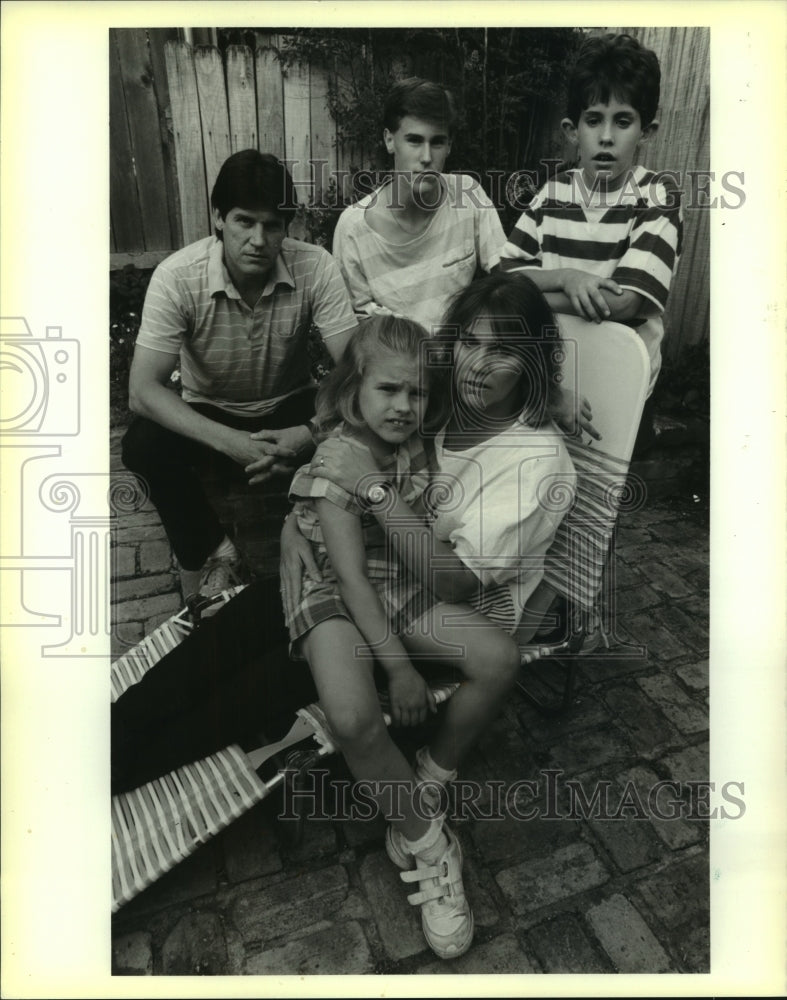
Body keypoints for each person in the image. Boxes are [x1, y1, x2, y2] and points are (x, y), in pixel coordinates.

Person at [112, 273, 575, 957]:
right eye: (469, 344)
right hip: (353, 566)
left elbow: (443, 575)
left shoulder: (531, 459)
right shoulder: (444, 399)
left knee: (244, 700)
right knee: (204, 660)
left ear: (533, 359)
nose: (478, 364)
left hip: (417, 603)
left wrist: (365, 494)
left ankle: (423, 817)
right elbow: (351, 420)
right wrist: (308, 522)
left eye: (503, 351)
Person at [121, 149, 358, 603]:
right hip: (212, 409)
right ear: (218, 218)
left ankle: (326, 541)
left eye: (272, 225)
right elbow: (142, 390)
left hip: (289, 403)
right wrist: (231, 442)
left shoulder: (316, 266)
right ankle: (214, 552)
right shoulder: (178, 277)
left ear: (286, 226)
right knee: (142, 444)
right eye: (244, 222)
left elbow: (355, 370)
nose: (258, 239)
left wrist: (308, 433)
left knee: (365, 419)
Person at [498, 32, 683, 456]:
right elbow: (503, 278)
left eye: (622, 121)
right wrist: (567, 275)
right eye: (593, 119)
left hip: (622, 374)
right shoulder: (552, 193)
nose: (605, 137)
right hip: (553, 368)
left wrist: (534, 295)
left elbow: (626, 304)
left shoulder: (657, 197)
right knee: (540, 477)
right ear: (571, 129)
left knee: (602, 499)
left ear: (647, 131)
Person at [332, 77, 507, 334]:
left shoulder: (468, 194)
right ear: (390, 141)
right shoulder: (353, 229)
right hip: (395, 366)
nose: (427, 157)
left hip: (461, 360)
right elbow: (357, 334)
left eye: (437, 142)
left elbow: (507, 282)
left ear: (449, 145)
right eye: (414, 140)